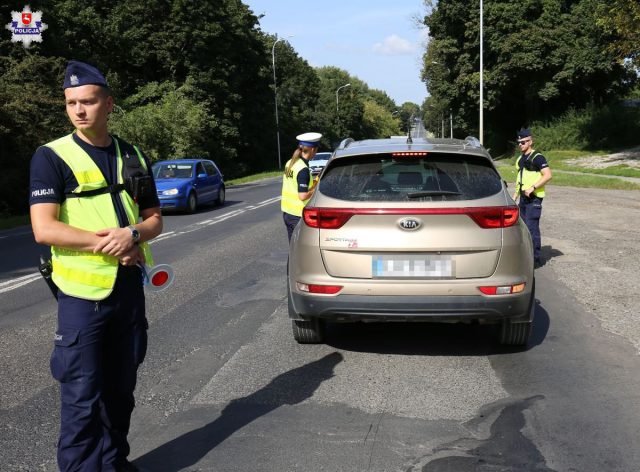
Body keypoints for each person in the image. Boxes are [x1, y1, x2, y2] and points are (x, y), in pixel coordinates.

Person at [29, 60, 163, 472]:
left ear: (109, 104)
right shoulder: (51, 156)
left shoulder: (133, 154)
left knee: (121, 391)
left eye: (87, 101)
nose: (79, 110)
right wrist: (112, 241)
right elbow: (43, 228)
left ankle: (114, 463)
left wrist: (135, 235)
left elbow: (155, 218)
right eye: (71, 103)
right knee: (82, 397)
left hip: (127, 290)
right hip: (80, 298)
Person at [513, 128, 552, 268]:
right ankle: (525, 256)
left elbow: (548, 175)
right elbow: (520, 177)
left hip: (534, 198)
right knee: (522, 229)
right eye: (519, 142)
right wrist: (515, 194)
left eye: (523, 142)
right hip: (523, 198)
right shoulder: (520, 159)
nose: (520, 145)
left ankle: (535, 259)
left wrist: (533, 188)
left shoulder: (538, 157)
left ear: (530, 141)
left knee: (532, 228)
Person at [281, 132, 321, 241]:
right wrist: (316, 188)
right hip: (297, 215)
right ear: (312, 149)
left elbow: (294, 184)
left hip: (287, 213)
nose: (316, 153)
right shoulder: (303, 169)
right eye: (316, 150)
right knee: (300, 251)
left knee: (293, 248)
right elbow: (303, 196)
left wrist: (314, 182)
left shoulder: (290, 162)